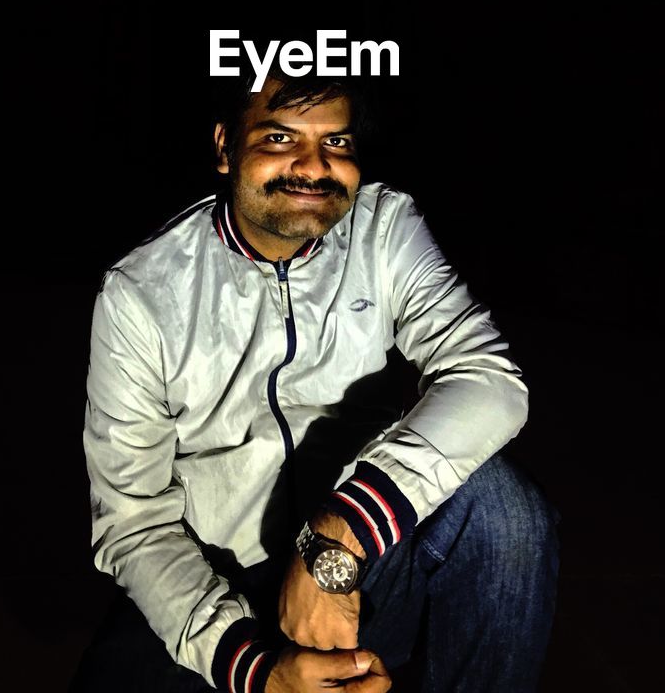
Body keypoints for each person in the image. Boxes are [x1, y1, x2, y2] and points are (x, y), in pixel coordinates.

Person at [70, 70, 558, 693]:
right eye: (278, 138)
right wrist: (260, 673)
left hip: (368, 562)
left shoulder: (384, 229)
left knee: (500, 508)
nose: (313, 166)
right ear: (225, 148)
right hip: (219, 585)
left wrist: (340, 537)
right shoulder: (141, 294)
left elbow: (489, 380)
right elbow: (134, 523)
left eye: (338, 143)